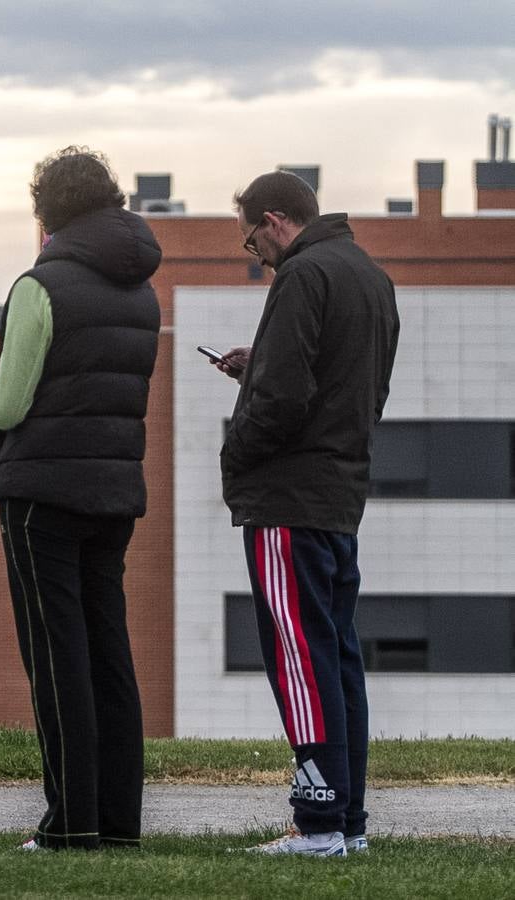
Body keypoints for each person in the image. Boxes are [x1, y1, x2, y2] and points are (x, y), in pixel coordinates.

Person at [0, 146, 160, 850]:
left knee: (56, 657)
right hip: (114, 490)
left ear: (49, 214)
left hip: (42, 494)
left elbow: (8, 404)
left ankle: (70, 825)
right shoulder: (141, 289)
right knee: (109, 654)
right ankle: (120, 821)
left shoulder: (41, 286)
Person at [215, 171, 398, 857]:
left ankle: (316, 821)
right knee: (337, 656)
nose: (253, 254)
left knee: (298, 655)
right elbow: (357, 386)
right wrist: (257, 366)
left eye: (251, 240)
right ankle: (346, 822)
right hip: (339, 493)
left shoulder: (301, 275)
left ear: (274, 219)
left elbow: (287, 398)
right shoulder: (370, 277)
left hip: (287, 495)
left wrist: (238, 450)